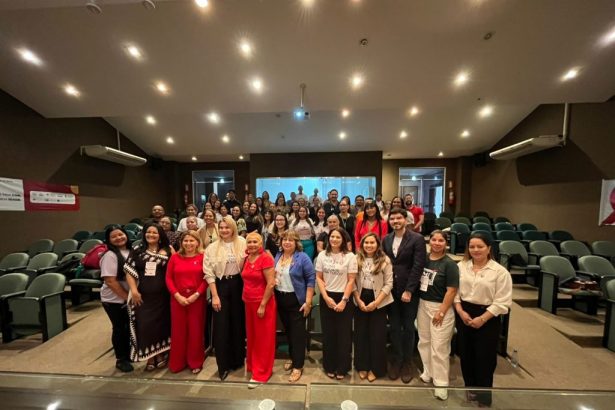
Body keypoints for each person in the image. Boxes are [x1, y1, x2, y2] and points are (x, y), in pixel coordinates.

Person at [454, 232, 512, 407]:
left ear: (489, 248)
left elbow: (502, 301)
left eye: (480, 246)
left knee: (485, 358)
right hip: (464, 313)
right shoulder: (461, 266)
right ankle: (470, 389)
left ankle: (484, 397)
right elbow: (455, 292)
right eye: (472, 246)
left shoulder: (500, 272)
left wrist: (482, 318)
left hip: (488, 316)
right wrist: (460, 311)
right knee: (466, 354)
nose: (476, 250)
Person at [382, 208, 426, 383]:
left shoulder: (417, 239)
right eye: (392, 218)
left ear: (406, 220)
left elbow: (418, 266)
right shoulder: (386, 239)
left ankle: (408, 362)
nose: (395, 221)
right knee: (394, 327)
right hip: (391, 290)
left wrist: (409, 290)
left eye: (398, 218)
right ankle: (397, 359)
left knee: (408, 327)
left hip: (409, 291)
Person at [203, 217, 247, 381]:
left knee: (237, 324)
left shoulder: (242, 242)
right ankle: (223, 366)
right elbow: (208, 273)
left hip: (239, 285)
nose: (224, 230)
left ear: (233, 228)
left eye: (227, 227)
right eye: (221, 227)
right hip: (220, 286)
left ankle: (237, 361)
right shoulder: (212, 247)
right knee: (222, 327)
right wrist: (214, 296)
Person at [417, 230, 459, 401]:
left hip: (440, 307)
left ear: (446, 243)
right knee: (424, 341)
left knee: (439, 347)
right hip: (422, 304)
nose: (436, 243)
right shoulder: (424, 259)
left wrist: (441, 312)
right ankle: (428, 372)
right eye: (433, 239)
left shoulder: (450, 264)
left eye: (441, 240)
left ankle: (441, 384)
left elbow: (452, 290)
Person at [124, 223, 172, 370]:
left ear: (160, 235)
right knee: (145, 326)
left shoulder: (168, 250)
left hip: (164, 297)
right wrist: (134, 291)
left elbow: (176, 268)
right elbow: (129, 271)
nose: (151, 235)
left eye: (154, 232)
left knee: (161, 325)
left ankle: (160, 354)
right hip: (143, 296)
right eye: (148, 232)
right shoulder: (137, 250)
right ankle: (150, 356)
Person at [315, 228, 357, 380]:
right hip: (327, 296)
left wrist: (344, 300)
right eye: (332, 236)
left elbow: (351, 280)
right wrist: (326, 297)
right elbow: (319, 278)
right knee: (329, 334)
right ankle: (329, 365)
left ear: (343, 239)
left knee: (344, 335)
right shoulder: (322, 255)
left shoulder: (350, 256)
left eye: (338, 237)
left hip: (344, 297)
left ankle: (343, 367)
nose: (334, 239)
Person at [274, 230, 315, 383]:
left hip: (297, 301)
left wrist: (308, 302)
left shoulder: (302, 257)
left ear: (296, 242)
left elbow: (311, 279)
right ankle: (293, 357)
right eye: (284, 239)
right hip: (281, 298)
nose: (287, 242)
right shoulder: (278, 255)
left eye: (290, 240)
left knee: (297, 334)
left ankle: (298, 366)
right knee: (289, 332)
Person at [352, 233, 394, 382]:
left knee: (377, 336)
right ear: (362, 244)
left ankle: (376, 368)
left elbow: (389, 284)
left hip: (379, 300)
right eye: (366, 243)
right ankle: (362, 365)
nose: (369, 245)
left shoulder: (385, 260)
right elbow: (352, 282)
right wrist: (358, 299)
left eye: (372, 242)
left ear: (377, 244)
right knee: (361, 334)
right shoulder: (356, 259)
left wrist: (376, 303)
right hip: (360, 298)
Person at [166, 231, 207, 374]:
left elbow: (206, 278)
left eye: (191, 240)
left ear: (197, 242)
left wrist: (197, 294)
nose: (188, 243)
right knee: (178, 332)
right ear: (181, 242)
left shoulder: (203, 257)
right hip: (178, 300)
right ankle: (178, 362)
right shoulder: (175, 258)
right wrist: (177, 295)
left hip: (196, 300)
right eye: (186, 241)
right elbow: (168, 278)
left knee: (195, 331)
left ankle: (195, 362)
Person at [242, 232, 277, 388]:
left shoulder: (266, 258)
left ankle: (262, 373)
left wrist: (263, 304)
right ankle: (253, 366)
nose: (252, 245)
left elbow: (271, 283)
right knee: (252, 337)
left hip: (263, 303)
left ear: (261, 244)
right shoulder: (247, 258)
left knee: (263, 339)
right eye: (249, 242)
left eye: (255, 242)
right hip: (248, 302)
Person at [100, 225, 133, 372]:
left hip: (128, 297)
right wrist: (127, 297)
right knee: (120, 328)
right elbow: (110, 281)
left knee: (128, 327)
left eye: (121, 234)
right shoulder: (110, 255)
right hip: (114, 300)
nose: (119, 238)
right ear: (108, 240)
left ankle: (128, 353)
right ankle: (121, 359)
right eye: (114, 237)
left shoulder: (131, 251)